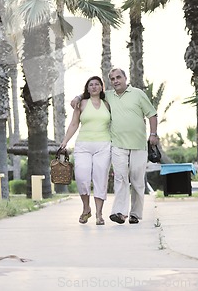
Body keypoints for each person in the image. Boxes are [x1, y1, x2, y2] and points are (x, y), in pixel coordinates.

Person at [71, 68, 158, 224]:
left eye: (118, 77)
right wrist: (78, 96)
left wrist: (153, 134)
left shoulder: (138, 94)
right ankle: (120, 212)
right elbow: (91, 93)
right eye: (112, 79)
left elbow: (152, 114)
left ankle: (135, 214)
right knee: (120, 178)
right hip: (117, 145)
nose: (116, 80)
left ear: (125, 78)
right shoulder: (108, 96)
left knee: (137, 181)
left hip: (139, 145)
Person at [60, 76, 111, 225]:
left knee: (100, 178)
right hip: (83, 145)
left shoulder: (107, 104)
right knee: (82, 177)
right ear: (87, 89)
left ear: (102, 87)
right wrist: (65, 141)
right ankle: (86, 208)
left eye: (97, 84)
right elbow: (74, 124)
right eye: (91, 85)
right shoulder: (81, 103)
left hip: (104, 145)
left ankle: (99, 214)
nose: (94, 87)